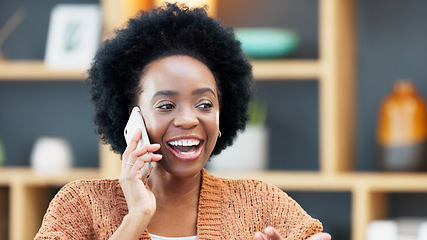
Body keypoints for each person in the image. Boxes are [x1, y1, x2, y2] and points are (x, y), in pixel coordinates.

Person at [35, 3, 331, 240]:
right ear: (132, 117)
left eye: (204, 104)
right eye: (166, 105)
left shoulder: (262, 203)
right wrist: (136, 216)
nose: (189, 119)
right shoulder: (80, 205)